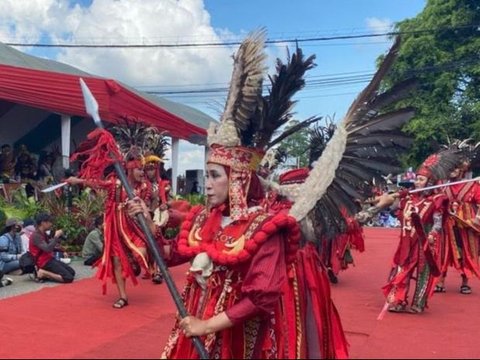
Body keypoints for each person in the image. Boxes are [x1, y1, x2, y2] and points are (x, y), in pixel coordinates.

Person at [127, 31, 348, 359]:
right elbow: (172, 256)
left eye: (215, 176)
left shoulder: (265, 228)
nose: (208, 184)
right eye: (208, 175)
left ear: (239, 180)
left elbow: (261, 297)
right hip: (197, 325)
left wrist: (207, 326)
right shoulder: (206, 216)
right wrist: (146, 223)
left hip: (241, 338)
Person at [68, 126, 155, 309]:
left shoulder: (145, 187)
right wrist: (77, 181)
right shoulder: (116, 184)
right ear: (130, 169)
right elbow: (96, 183)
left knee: (142, 252)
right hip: (116, 225)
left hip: (135, 226)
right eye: (139, 169)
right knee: (116, 261)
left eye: (143, 169)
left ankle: (132, 264)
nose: (142, 173)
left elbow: (147, 205)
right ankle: (123, 296)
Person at [380, 150, 460, 315]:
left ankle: (419, 303)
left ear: (430, 182)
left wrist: (431, 235)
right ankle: (399, 300)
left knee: (423, 272)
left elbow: (438, 223)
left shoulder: (436, 200)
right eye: (416, 179)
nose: (417, 182)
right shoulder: (408, 198)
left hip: (425, 241)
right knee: (403, 269)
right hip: (406, 242)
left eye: (421, 179)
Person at [435, 142, 480, 294]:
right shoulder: (442, 185)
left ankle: (465, 281)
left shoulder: (473, 185)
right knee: (444, 251)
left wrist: (477, 219)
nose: (452, 171)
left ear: (462, 169)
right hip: (447, 222)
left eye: (455, 168)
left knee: (467, 251)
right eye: (451, 168)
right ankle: (440, 279)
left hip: (466, 223)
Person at [29, 213, 75, 283]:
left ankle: (44, 275)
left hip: (50, 259)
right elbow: (48, 249)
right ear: (43, 223)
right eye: (49, 222)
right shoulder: (35, 235)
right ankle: (43, 272)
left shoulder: (43, 233)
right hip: (43, 262)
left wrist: (62, 250)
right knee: (68, 278)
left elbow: (51, 245)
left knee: (72, 272)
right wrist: (56, 237)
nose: (51, 224)